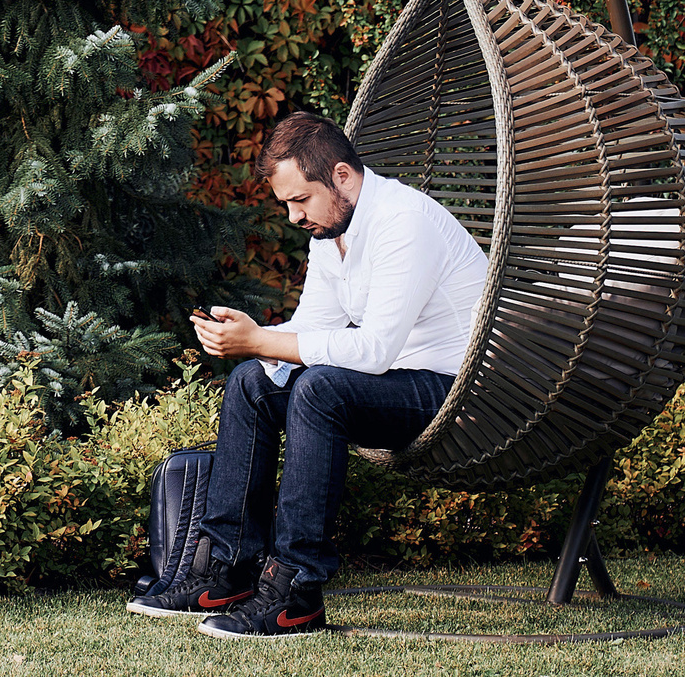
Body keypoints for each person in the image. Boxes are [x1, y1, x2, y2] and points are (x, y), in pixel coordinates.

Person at [127, 110, 489, 640]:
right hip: (394, 383)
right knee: (252, 381)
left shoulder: (403, 222)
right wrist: (253, 337)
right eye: (287, 204)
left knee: (321, 389)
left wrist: (262, 341)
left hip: (454, 390)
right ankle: (229, 570)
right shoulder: (330, 233)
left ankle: (295, 592)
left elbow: (372, 351)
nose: (295, 217)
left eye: (302, 200)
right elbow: (313, 329)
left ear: (342, 176)